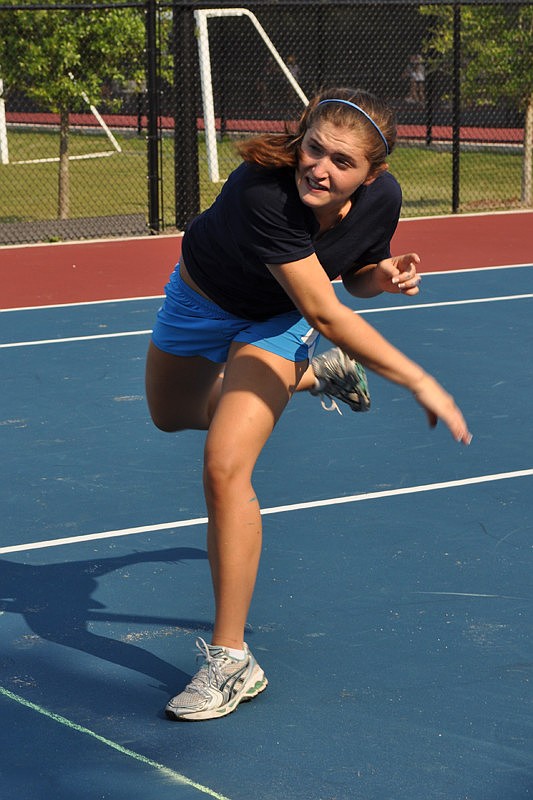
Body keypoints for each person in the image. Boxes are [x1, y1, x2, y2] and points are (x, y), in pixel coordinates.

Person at [145, 87, 471, 722]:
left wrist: (383, 274)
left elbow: (345, 279)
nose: (320, 169)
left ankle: (231, 659)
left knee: (224, 466)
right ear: (301, 140)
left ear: (372, 174)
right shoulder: (261, 192)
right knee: (172, 413)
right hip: (200, 299)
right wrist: (420, 380)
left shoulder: (384, 197)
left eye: (342, 163)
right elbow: (329, 308)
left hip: (277, 320)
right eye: (314, 149)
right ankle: (320, 375)